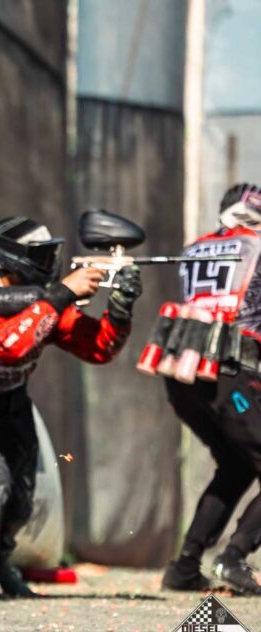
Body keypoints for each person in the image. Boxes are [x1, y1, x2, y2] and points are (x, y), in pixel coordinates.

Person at [0, 216, 142, 605]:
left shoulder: (46, 304)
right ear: (13, 259)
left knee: (21, 497)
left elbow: (99, 348)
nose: (50, 263)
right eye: (41, 256)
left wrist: (120, 309)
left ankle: (0, 561)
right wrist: (60, 295)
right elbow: (2, 346)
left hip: (10, 403)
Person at [162, 183, 261, 595]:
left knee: (237, 465)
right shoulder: (255, 246)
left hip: (183, 375)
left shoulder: (195, 247)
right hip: (230, 371)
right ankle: (232, 558)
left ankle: (184, 567)